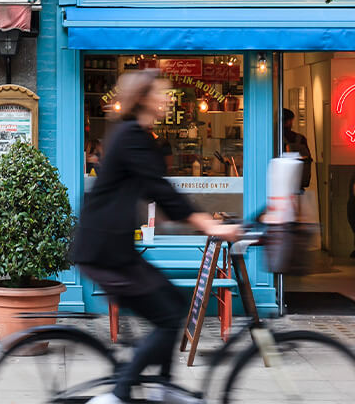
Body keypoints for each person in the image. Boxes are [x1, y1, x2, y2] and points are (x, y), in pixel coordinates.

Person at [72, 70, 240, 404]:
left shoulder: (132, 135)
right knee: (167, 317)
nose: (167, 99)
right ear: (145, 98)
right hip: (105, 252)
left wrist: (186, 219)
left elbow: (154, 192)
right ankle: (117, 397)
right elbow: (161, 191)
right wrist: (210, 225)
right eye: (162, 93)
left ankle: (163, 387)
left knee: (175, 305)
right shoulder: (132, 135)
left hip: (113, 249)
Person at [282, 108, 312, 190]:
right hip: (298, 185)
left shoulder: (275, 139)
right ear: (289, 121)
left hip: (281, 185)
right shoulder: (300, 139)